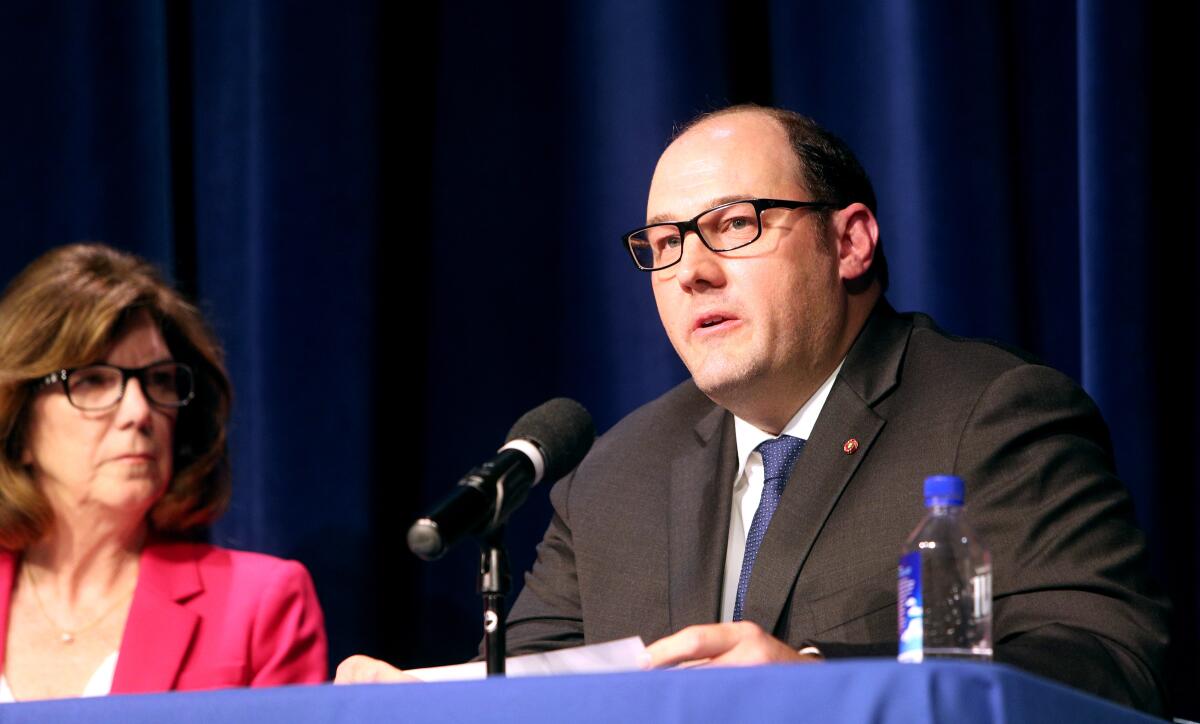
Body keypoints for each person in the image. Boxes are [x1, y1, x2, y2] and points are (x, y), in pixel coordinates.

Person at [336, 105, 1168, 713]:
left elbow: (1109, 667)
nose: (690, 271)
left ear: (849, 242)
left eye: (733, 225)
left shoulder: (991, 415)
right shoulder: (614, 475)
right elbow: (540, 684)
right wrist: (420, 706)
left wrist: (818, 681)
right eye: (664, 245)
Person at [0, 243, 327, 700]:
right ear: (18, 422)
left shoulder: (258, 606)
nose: (139, 411)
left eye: (159, 381)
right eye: (93, 380)